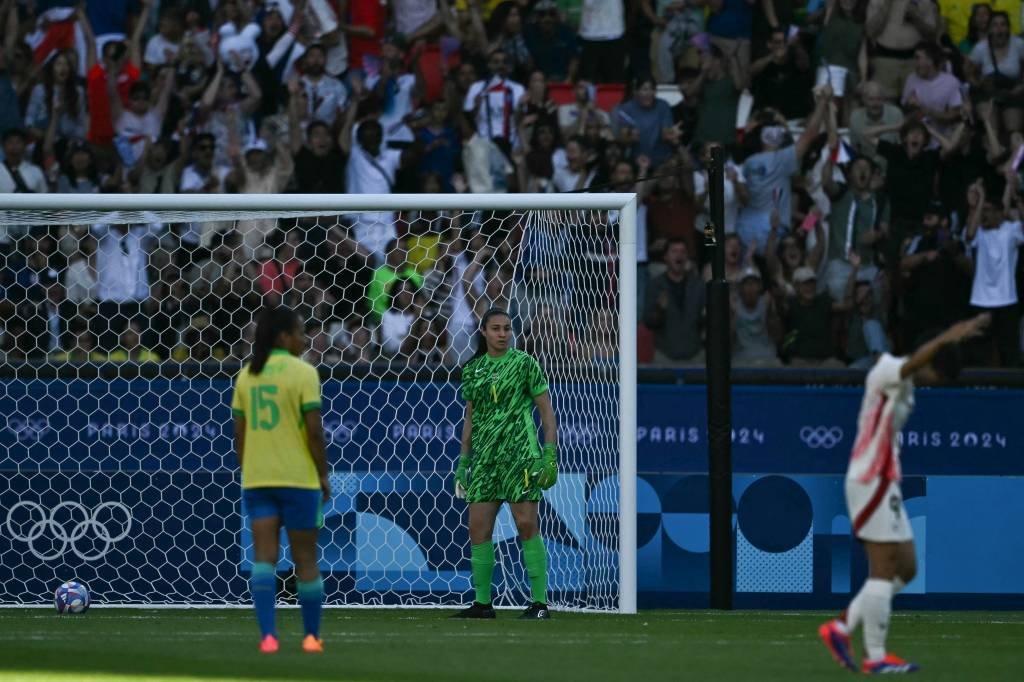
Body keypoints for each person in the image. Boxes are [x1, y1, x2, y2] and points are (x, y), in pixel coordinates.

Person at [818, 311, 991, 673]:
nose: (932, 381)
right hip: (870, 479)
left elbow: (917, 368)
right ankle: (876, 657)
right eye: (936, 374)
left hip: (886, 482)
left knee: (907, 567)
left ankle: (842, 626)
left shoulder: (908, 386)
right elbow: (914, 363)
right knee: (882, 569)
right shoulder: (887, 370)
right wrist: (949, 335)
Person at [230, 305, 331, 654]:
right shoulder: (304, 373)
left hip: (258, 480)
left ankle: (268, 637)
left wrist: (251, 469)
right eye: (301, 332)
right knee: (306, 560)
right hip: (298, 479)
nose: (304, 339)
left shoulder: (247, 375)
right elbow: (315, 433)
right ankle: (311, 637)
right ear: (285, 337)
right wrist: (322, 473)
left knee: (263, 558)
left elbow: (239, 436)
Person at [451, 307, 557, 620]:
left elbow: (547, 414)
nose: (503, 334)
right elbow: (470, 417)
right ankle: (483, 604)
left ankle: (539, 603)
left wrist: (548, 455)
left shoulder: (525, 364)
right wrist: (463, 462)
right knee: (477, 529)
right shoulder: (473, 370)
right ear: (483, 332)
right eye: (496, 328)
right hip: (484, 460)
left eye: (507, 329)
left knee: (526, 524)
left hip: (520, 456)